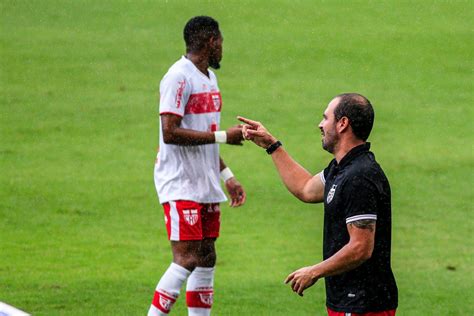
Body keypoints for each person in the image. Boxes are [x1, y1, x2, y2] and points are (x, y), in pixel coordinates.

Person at [238, 93, 398, 315]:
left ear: (343, 124)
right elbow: (304, 187)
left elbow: (361, 247)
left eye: (325, 118)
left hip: (363, 302)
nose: (320, 125)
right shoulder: (341, 169)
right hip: (346, 299)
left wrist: (314, 272)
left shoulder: (360, 177)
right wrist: (272, 145)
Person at [148, 16, 246, 316]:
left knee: (206, 256)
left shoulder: (209, 78)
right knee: (186, 258)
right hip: (180, 183)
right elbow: (170, 131)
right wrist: (224, 137)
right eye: (221, 43)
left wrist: (227, 175)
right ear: (211, 42)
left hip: (205, 184)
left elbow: (203, 134)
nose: (222, 50)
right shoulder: (178, 77)